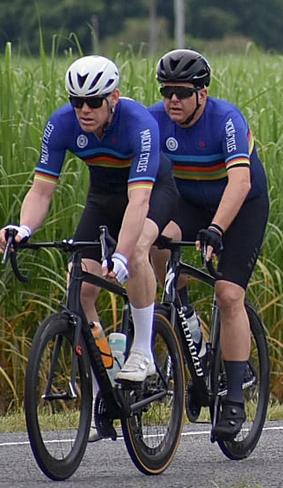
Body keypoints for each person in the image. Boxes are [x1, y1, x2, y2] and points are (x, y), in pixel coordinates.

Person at [0, 55, 177, 440]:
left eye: (93, 101)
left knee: (138, 249)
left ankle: (143, 351)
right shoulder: (62, 123)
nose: (83, 109)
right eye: (76, 100)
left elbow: (139, 202)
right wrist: (24, 227)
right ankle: (103, 391)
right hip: (102, 198)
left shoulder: (139, 124)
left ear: (113, 97)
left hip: (150, 193)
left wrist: (122, 253)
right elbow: (43, 188)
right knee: (81, 293)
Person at [148, 49, 269, 441]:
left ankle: (234, 395)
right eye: (167, 92)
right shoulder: (154, 120)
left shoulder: (226, 120)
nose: (173, 102)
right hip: (190, 203)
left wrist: (217, 228)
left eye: (182, 93)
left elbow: (240, 183)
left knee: (228, 294)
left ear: (203, 92)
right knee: (153, 246)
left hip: (240, 206)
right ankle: (185, 329)